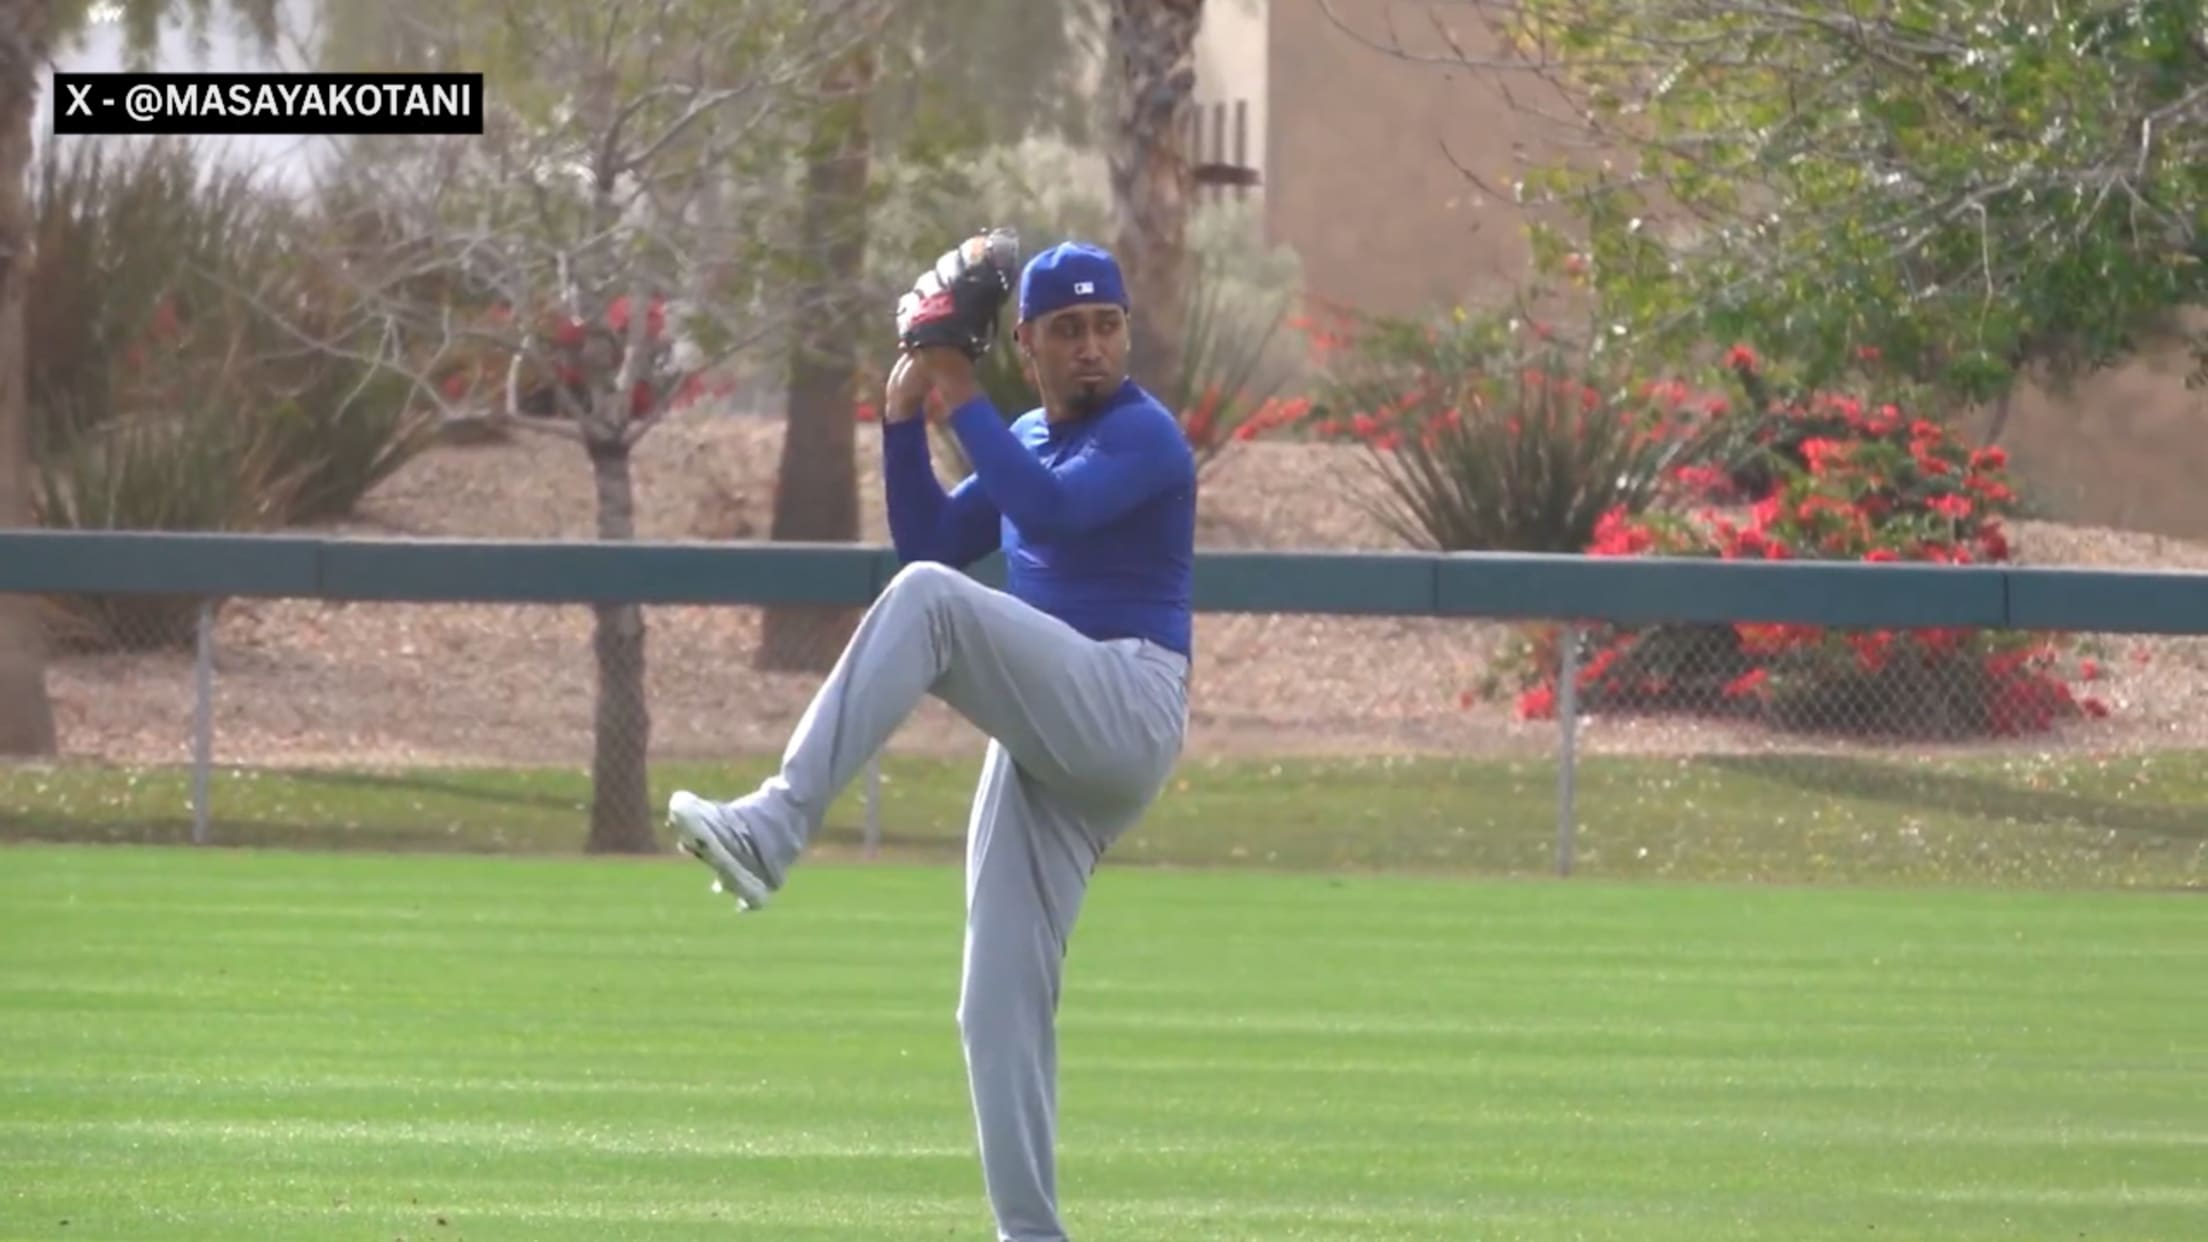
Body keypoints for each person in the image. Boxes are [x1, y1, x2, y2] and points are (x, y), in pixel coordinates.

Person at [665, 240, 1195, 1241]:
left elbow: (1049, 511)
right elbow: (936, 543)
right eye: (1067, 330)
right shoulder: (1032, 429)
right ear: (1027, 346)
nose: (1092, 346)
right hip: (1054, 739)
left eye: (1107, 325)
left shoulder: (1146, 436)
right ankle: (1029, 1233)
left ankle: (775, 827)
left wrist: (958, 389)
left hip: (1124, 707)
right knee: (994, 1008)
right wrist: (903, 416)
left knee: (931, 609)